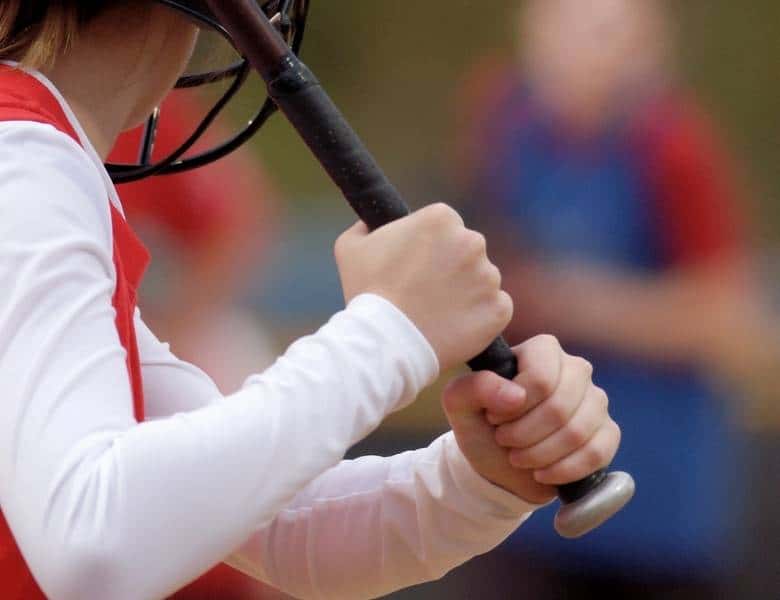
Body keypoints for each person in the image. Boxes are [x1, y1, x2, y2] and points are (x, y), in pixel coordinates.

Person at [0, 2, 621, 599]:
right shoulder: (24, 159)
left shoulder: (31, 155)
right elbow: (94, 542)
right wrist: (387, 332)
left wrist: (479, 480)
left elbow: (283, 530)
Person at [454, 0, 760, 597]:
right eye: (562, 29)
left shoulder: (673, 147)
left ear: (650, 47)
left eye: (604, 32)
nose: (578, 53)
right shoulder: (506, 126)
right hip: (527, 507)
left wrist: (578, 303)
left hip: (656, 512)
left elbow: (726, 317)